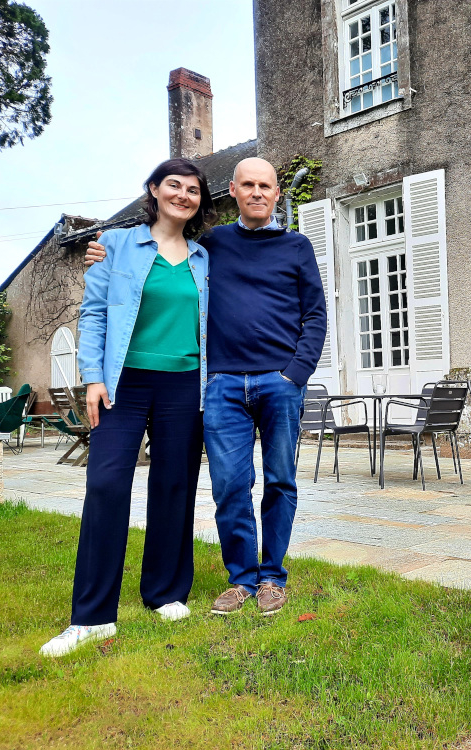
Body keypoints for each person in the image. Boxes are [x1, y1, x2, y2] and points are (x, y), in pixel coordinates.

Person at [85, 157, 327, 618]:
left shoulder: (297, 246)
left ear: (277, 194)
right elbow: (150, 265)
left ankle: (273, 575)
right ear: (232, 191)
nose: (257, 192)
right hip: (220, 384)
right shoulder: (210, 245)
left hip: (280, 383)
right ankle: (242, 579)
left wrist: (295, 374)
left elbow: (315, 315)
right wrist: (102, 253)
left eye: (266, 186)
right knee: (230, 486)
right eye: (248, 185)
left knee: (280, 480)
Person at [40, 158, 213, 657]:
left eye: (193, 189)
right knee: (108, 482)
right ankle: (92, 617)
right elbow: (93, 313)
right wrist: (91, 377)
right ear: (155, 190)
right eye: (174, 185)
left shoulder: (204, 258)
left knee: (174, 483)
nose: (183, 195)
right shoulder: (114, 245)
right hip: (123, 382)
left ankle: (164, 592)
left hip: (185, 383)